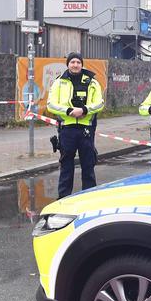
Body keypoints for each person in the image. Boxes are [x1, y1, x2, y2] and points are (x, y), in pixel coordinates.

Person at [47, 53, 105, 198]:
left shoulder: (92, 82)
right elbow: (51, 105)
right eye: (72, 62)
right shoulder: (59, 82)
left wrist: (84, 110)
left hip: (86, 129)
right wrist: (68, 111)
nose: (75, 65)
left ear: (82, 64)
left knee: (88, 165)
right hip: (67, 129)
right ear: (68, 64)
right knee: (66, 166)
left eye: (78, 62)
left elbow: (99, 103)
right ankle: (63, 199)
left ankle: (89, 198)